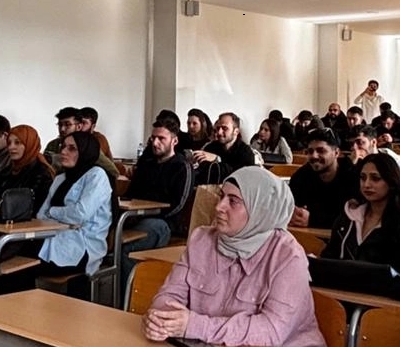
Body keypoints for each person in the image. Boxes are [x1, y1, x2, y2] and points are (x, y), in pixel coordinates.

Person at [143, 166, 329, 347]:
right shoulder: (201, 239)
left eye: (233, 201)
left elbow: (271, 330)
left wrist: (194, 326)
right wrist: (163, 320)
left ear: (260, 209)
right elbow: (169, 295)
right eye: (221, 196)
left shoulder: (288, 257)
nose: (219, 207)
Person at [322, 154, 400, 274]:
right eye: (362, 178)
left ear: (391, 181)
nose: (366, 184)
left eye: (375, 178)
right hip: (342, 283)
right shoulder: (348, 218)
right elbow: (329, 257)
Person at [35, 132, 114, 297]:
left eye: (72, 148)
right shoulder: (60, 178)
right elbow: (41, 215)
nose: (63, 151)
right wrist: (65, 217)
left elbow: (80, 214)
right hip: (55, 236)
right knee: (19, 259)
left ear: (85, 152)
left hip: (82, 246)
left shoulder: (97, 175)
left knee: (25, 262)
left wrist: (53, 212)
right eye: (63, 146)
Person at [120, 119, 193, 280]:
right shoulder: (146, 164)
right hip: (135, 217)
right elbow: (131, 194)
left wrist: (147, 212)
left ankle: (128, 294)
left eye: (161, 138)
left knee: (127, 250)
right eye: (153, 138)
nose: (155, 143)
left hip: (164, 223)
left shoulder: (182, 167)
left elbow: (179, 205)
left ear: (174, 141)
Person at [288, 128, 358, 229]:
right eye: (310, 151)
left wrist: (313, 220)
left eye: (321, 151)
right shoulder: (301, 177)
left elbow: (354, 217)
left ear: (336, 153)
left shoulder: (353, 177)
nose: (314, 156)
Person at [0, 124, 55, 211]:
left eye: (17, 143)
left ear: (30, 144)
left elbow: (36, 207)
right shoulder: (6, 171)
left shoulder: (42, 173)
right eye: (9, 143)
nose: (11, 147)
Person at [193, 112, 256, 183]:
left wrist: (217, 159)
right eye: (218, 128)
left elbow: (241, 177)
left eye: (224, 128)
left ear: (236, 131)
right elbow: (202, 174)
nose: (219, 132)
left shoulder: (246, 152)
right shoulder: (210, 147)